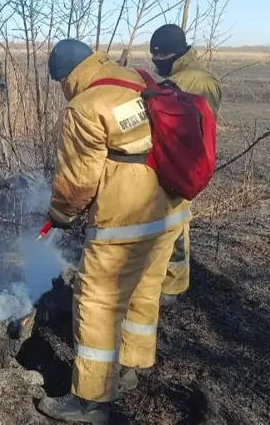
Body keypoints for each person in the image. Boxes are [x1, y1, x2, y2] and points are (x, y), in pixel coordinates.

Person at [36, 39, 190, 424]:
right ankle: (129, 369)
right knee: (143, 287)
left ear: (68, 76)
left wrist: (60, 214)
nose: (64, 89)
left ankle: (90, 402)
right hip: (171, 210)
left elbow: (77, 182)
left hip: (127, 219)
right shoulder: (137, 77)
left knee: (96, 302)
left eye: (61, 82)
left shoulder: (86, 106)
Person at [149, 24, 222, 305]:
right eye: (153, 55)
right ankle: (171, 284)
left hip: (181, 162)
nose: (156, 61)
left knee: (174, 223)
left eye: (160, 55)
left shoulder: (192, 81)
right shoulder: (187, 75)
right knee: (175, 221)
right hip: (179, 160)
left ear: (175, 53)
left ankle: (170, 288)